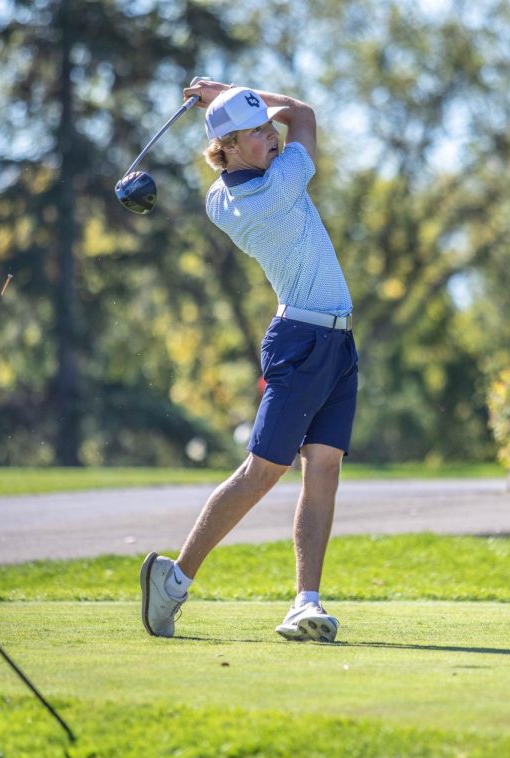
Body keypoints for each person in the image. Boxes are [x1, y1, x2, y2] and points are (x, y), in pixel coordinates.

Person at [139, 79, 358, 643]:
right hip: (301, 341)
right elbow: (304, 112)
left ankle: (305, 602)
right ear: (228, 148)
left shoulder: (222, 195)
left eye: (266, 128)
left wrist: (234, 102)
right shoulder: (275, 189)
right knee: (263, 473)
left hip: (335, 341)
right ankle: (175, 581)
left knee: (324, 467)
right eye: (257, 134)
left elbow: (286, 124)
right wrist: (233, 90)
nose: (271, 137)